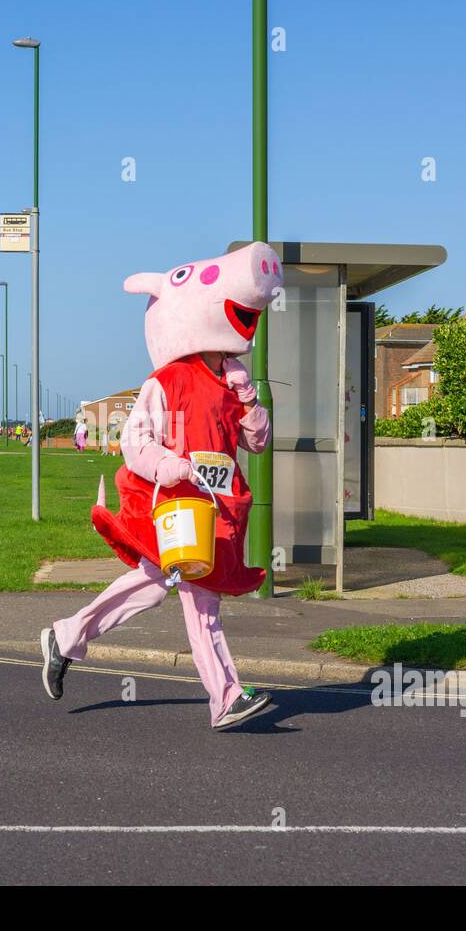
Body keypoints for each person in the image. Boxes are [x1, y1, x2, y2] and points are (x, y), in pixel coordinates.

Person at [41, 243, 281, 730]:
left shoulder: (233, 386)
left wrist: (249, 399)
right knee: (200, 604)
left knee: (153, 589)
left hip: (217, 516)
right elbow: (136, 442)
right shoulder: (167, 381)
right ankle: (227, 697)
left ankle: (65, 637)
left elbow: (257, 443)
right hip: (175, 508)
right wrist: (174, 467)